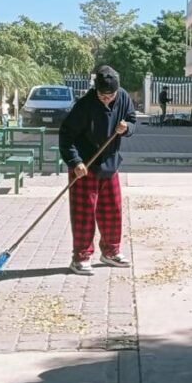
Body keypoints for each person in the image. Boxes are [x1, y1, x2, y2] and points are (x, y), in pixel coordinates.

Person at [58, 66, 137, 276]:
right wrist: (75, 162)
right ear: (96, 91)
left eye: (110, 96)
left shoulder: (123, 98)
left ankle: (111, 252)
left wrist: (127, 127)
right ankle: (81, 257)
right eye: (102, 96)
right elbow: (66, 136)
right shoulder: (84, 105)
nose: (106, 100)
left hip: (110, 164)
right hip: (85, 166)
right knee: (84, 214)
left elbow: (132, 119)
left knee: (112, 210)